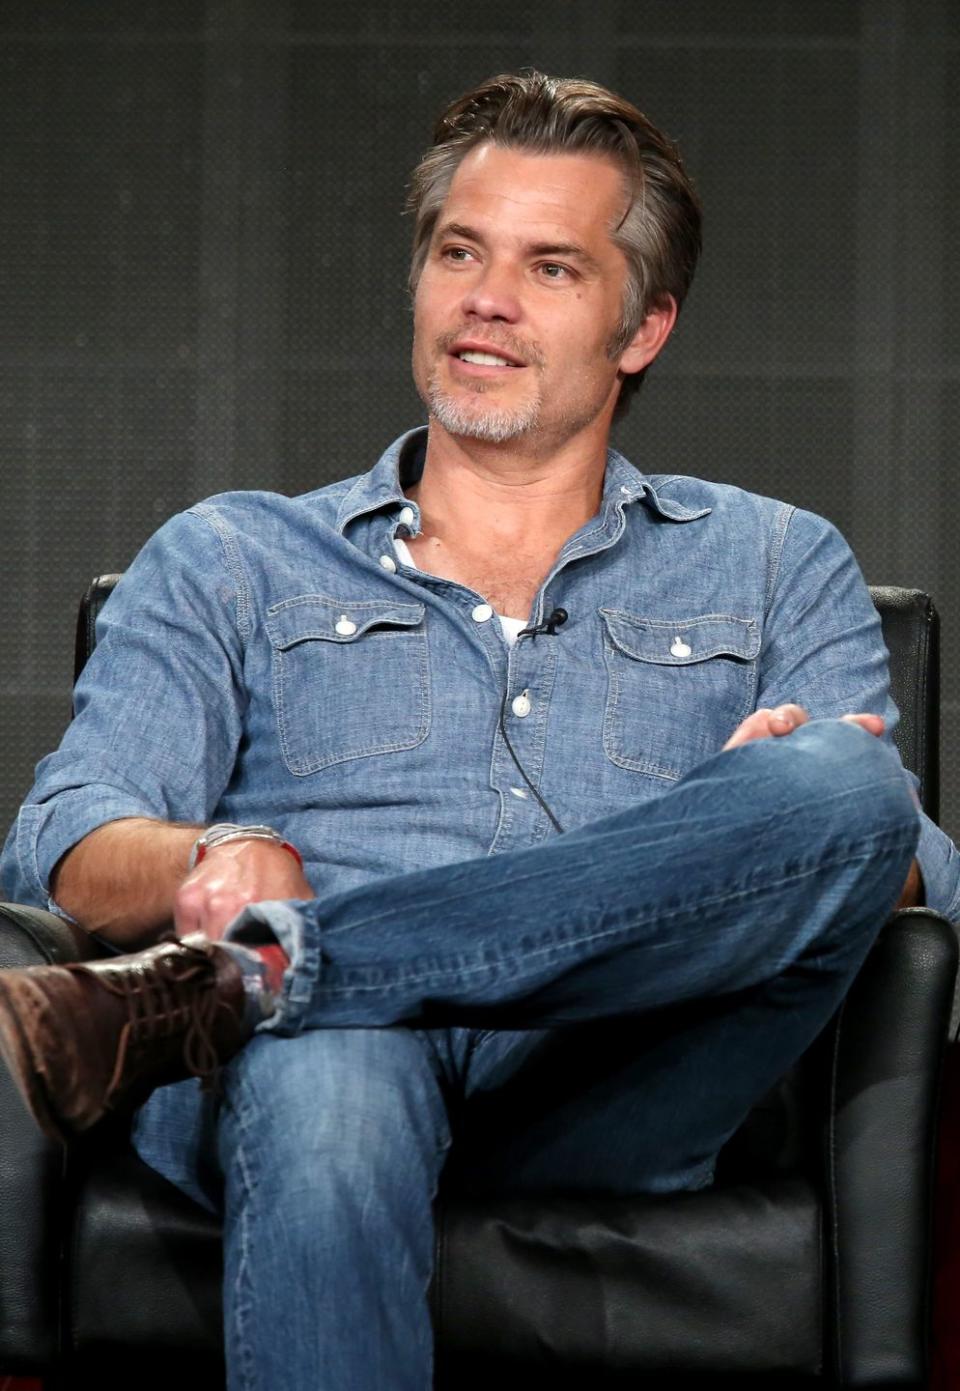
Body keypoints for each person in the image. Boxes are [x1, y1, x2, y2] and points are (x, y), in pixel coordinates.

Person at [0, 71, 956, 1390]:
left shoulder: (776, 562)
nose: (486, 300)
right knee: (330, 1066)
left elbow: (906, 875)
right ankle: (306, 987)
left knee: (845, 782)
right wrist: (208, 856)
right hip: (315, 1075)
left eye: (552, 267)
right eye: (460, 251)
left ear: (645, 326)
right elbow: (61, 845)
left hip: (614, 1071)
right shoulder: (228, 557)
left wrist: (722, 834)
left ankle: (286, 969)